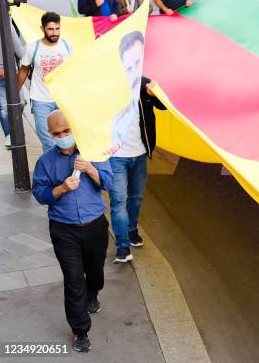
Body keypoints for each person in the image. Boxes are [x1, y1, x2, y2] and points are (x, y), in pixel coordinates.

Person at [32, 110, 113, 353]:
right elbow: (39, 193)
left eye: (66, 131)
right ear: (50, 134)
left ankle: (94, 292)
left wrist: (90, 169)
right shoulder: (45, 162)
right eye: (57, 134)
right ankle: (80, 330)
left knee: (95, 270)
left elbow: (108, 183)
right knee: (73, 279)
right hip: (63, 229)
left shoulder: (92, 152)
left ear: (74, 128)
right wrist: (61, 189)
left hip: (95, 225)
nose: (63, 136)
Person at [108, 32, 167, 263]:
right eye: (130, 60)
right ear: (120, 58)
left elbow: (163, 107)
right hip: (116, 156)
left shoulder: (144, 84)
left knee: (136, 198)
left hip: (140, 154)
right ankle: (122, 245)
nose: (134, 66)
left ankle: (131, 230)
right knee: (118, 201)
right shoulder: (109, 87)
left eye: (138, 59)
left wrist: (156, 93)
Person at [17, 12, 72, 151]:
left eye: (57, 29)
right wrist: (13, 94)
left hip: (63, 100)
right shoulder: (32, 48)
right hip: (41, 100)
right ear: (42, 29)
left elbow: (74, 70)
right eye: (50, 29)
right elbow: (24, 71)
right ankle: (53, 171)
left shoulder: (66, 45)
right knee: (48, 142)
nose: (55, 33)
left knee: (68, 139)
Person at [0, 14, 25, 148]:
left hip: (13, 71)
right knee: (3, 106)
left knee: (20, 102)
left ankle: (16, 129)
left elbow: (19, 49)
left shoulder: (8, 24)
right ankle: (9, 135)